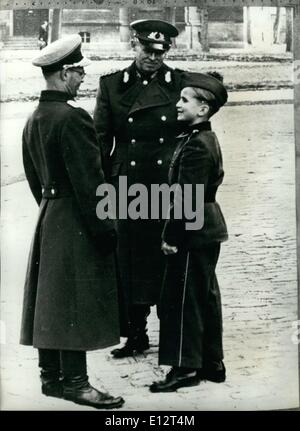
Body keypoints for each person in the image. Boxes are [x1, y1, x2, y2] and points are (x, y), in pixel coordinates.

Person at [20, 34, 124, 409]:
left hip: (50, 217)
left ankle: (51, 380)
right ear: (64, 74)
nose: (83, 79)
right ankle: (77, 384)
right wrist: (106, 229)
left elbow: (34, 177)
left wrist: (53, 209)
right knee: (73, 302)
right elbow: (91, 183)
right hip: (77, 220)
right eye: (79, 72)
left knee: (50, 299)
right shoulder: (74, 117)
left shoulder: (36, 117)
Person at [93, 19, 184, 358]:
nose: (154, 57)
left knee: (167, 254)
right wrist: (101, 187)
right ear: (134, 46)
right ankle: (136, 334)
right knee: (128, 259)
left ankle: (174, 336)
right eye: (147, 50)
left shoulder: (181, 84)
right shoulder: (113, 85)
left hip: (166, 183)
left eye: (160, 52)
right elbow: (100, 141)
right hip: (125, 187)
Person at [150, 72, 228, 392]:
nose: (178, 104)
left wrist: (171, 237)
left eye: (185, 100)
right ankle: (211, 363)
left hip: (193, 232)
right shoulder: (199, 138)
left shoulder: (196, 145)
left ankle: (183, 369)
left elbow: (187, 200)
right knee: (203, 297)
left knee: (181, 301)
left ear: (203, 109)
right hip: (206, 230)